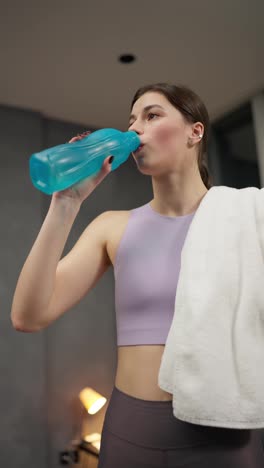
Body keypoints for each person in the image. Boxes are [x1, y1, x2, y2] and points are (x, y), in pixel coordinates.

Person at [11, 83, 264, 467]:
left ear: (195, 132)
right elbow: (27, 316)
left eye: (151, 115)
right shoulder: (113, 227)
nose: (134, 130)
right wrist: (65, 204)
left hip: (220, 433)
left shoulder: (245, 217)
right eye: (131, 121)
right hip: (131, 430)